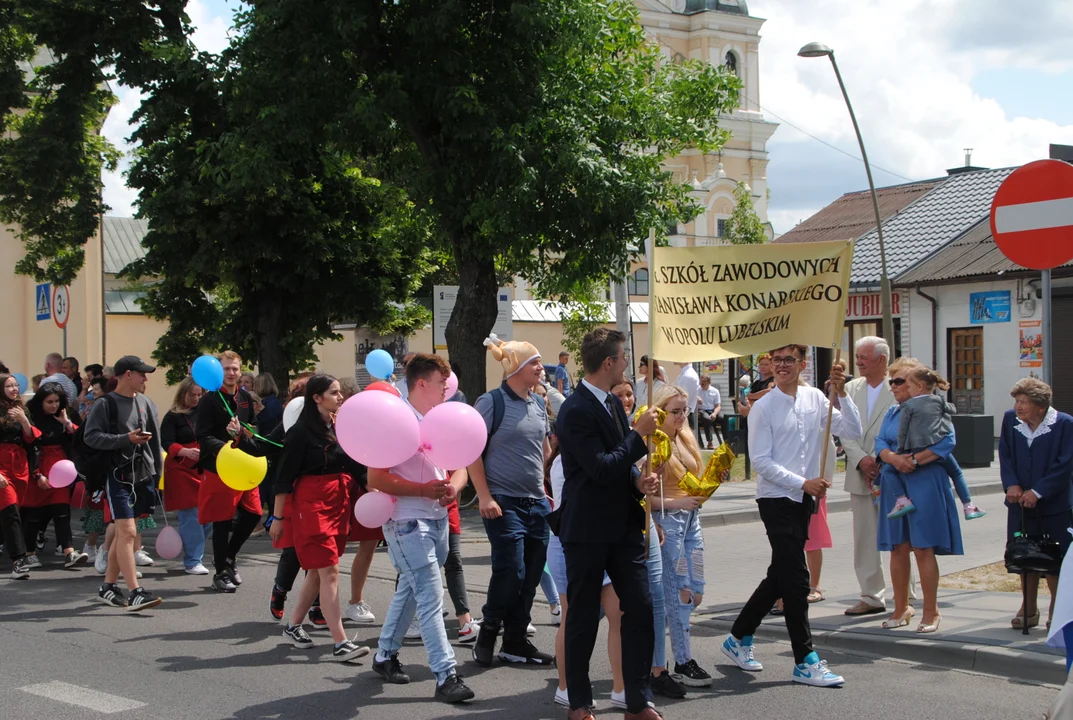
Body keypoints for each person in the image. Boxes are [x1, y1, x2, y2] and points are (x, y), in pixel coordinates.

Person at [721, 345, 860, 687]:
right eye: (776, 360)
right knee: (797, 579)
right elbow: (762, 462)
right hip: (776, 499)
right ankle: (805, 660)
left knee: (780, 575)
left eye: (789, 360)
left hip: (803, 500)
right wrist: (804, 482)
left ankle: (737, 637)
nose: (781, 366)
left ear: (802, 364)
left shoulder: (815, 398)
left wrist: (842, 394)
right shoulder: (763, 407)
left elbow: (853, 430)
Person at [555, 328, 662, 720]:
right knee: (583, 615)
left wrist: (638, 479)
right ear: (608, 363)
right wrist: (637, 436)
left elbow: (619, 464)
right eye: (623, 356)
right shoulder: (575, 409)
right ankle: (579, 702)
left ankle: (638, 699)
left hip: (623, 527)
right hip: (586, 529)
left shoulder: (613, 405)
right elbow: (599, 468)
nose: (627, 362)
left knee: (640, 607)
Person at [368, 353, 474, 704]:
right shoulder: (397, 422)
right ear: (421, 384)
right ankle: (446, 675)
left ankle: (384, 655)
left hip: (438, 519)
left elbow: (460, 466)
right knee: (431, 597)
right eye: (441, 383)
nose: (447, 388)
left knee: (412, 591)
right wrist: (421, 490)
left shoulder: (441, 419)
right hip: (406, 522)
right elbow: (376, 477)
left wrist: (453, 489)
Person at [269, 374, 370, 662]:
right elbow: (283, 479)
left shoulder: (338, 426)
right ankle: (340, 642)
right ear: (317, 398)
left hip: (338, 501)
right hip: (310, 505)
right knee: (330, 570)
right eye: (334, 393)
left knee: (316, 570)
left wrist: (377, 491)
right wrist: (277, 518)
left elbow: (354, 466)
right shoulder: (300, 433)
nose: (340, 397)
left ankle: (293, 625)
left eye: (340, 393)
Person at [468, 334, 554, 666]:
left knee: (531, 574)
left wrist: (545, 486)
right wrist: (485, 496)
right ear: (515, 366)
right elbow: (471, 452)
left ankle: (516, 640)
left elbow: (544, 451)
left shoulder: (537, 403)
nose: (540, 368)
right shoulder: (491, 402)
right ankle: (488, 632)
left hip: (537, 503)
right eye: (534, 362)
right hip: (503, 502)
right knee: (511, 571)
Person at [875, 358, 963, 634]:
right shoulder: (892, 412)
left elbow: (948, 441)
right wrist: (891, 458)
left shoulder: (932, 408)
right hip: (895, 484)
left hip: (924, 480)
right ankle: (901, 608)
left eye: (899, 381)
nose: (894, 386)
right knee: (898, 547)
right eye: (891, 381)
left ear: (917, 384)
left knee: (923, 547)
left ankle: (931, 611)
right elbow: (879, 442)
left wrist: (913, 460)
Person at [612, 379, 684, 700]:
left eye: (629, 393)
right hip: (616, 528)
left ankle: (656, 670)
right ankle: (571, 648)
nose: (626, 399)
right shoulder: (616, 431)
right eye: (619, 395)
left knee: (654, 598)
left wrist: (652, 519)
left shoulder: (649, 431)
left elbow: (644, 484)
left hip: (644, 523)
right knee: (605, 605)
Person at [86, 355, 164, 610]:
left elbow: (155, 442)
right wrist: (125, 439)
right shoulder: (105, 404)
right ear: (127, 375)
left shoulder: (146, 403)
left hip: (142, 476)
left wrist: (158, 475)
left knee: (123, 533)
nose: (146, 379)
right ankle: (135, 592)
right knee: (128, 532)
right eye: (142, 374)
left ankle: (108, 587)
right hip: (116, 476)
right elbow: (91, 437)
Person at [650, 384, 713, 688]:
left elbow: (694, 481)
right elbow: (642, 496)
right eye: (675, 411)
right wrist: (675, 504)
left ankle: (651, 642)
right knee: (680, 592)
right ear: (660, 410)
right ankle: (683, 660)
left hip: (691, 523)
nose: (680, 416)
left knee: (696, 592)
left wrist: (712, 480)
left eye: (684, 410)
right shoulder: (653, 444)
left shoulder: (685, 438)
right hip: (669, 523)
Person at [1000, 377, 1073, 630]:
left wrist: (1039, 491)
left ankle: (1058, 608)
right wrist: (1012, 485)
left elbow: (1065, 464)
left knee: (1056, 559)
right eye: (1017, 401)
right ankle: (1028, 608)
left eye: (1024, 402)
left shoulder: (1064, 424)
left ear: (1040, 407)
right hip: (1019, 504)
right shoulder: (1011, 420)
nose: (1018, 407)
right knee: (1023, 555)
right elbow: (1006, 454)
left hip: (1054, 505)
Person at [196, 350, 265, 593]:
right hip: (219, 468)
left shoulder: (245, 397)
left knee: (254, 514)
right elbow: (202, 436)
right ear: (218, 371)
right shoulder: (209, 400)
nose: (231, 373)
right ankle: (220, 573)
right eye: (226, 369)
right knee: (222, 520)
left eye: (235, 368)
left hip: (244, 466)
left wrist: (245, 433)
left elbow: (254, 428)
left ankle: (229, 557)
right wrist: (226, 448)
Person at [839, 337, 898, 616]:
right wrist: (861, 459)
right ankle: (872, 596)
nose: (858, 362)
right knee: (864, 538)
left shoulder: (899, 386)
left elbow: (901, 428)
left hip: (892, 474)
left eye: (863, 357)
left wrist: (876, 459)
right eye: (858, 357)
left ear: (882, 360)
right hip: (860, 474)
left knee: (900, 537)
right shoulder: (851, 388)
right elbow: (844, 430)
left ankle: (904, 596)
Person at [885, 366, 986, 521]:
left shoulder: (908, 406)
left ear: (919, 387)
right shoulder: (938, 400)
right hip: (936, 448)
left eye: (909, 386)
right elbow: (952, 410)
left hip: (916, 447)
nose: (908, 390)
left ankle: (902, 500)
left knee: (888, 471)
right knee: (957, 473)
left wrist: (900, 451)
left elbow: (903, 431)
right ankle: (968, 505)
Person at [24, 383, 88, 568]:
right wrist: (37, 474)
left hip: (61, 467)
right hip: (39, 466)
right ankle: (29, 552)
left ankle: (68, 552)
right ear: (40, 402)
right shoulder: (32, 417)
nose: (53, 405)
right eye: (49, 402)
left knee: (61, 511)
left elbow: (81, 437)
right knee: (35, 514)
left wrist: (66, 423)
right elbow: (29, 445)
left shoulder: (64, 415)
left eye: (56, 401)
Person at [160, 377, 210, 575]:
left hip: (203, 467)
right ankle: (192, 560)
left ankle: (193, 552)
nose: (196, 398)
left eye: (200, 395)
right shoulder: (172, 416)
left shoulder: (206, 413)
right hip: (181, 469)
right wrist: (184, 452)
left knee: (208, 515)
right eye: (193, 395)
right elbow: (166, 442)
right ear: (183, 394)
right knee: (191, 515)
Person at [0, 373, 38, 579]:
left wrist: (24, 421)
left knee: (10, 511)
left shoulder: (21, 409)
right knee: (10, 511)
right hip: (1, 465)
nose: (14, 389)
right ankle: (18, 560)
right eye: (9, 386)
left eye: (15, 385)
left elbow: (31, 439)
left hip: (19, 465)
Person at [697, 374, 722, 449]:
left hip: (712, 410)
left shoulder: (715, 391)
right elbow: (691, 396)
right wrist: (697, 398)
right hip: (702, 410)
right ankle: (709, 442)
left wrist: (714, 413)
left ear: (709, 382)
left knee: (723, 418)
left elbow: (718, 406)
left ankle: (727, 441)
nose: (702, 383)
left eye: (704, 381)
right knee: (707, 419)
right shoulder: (697, 390)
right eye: (701, 381)